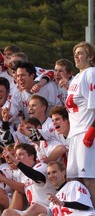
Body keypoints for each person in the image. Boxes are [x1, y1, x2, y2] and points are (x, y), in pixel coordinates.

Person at [65, 41, 95, 206]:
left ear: (90, 57)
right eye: (75, 53)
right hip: (75, 134)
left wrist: (92, 130)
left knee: (89, 178)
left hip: (86, 132)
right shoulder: (76, 77)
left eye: (81, 53)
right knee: (74, 180)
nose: (76, 56)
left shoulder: (91, 73)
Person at [0, 144, 56, 216]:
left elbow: (36, 176)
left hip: (49, 208)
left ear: (31, 156)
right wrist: (1, 178)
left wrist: (16, 162)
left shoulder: (41, 166)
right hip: (32, 211)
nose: (17, 158)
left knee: (37, 210)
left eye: (21, 154)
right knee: (7, 212)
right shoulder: (23, 175)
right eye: (16, 155)